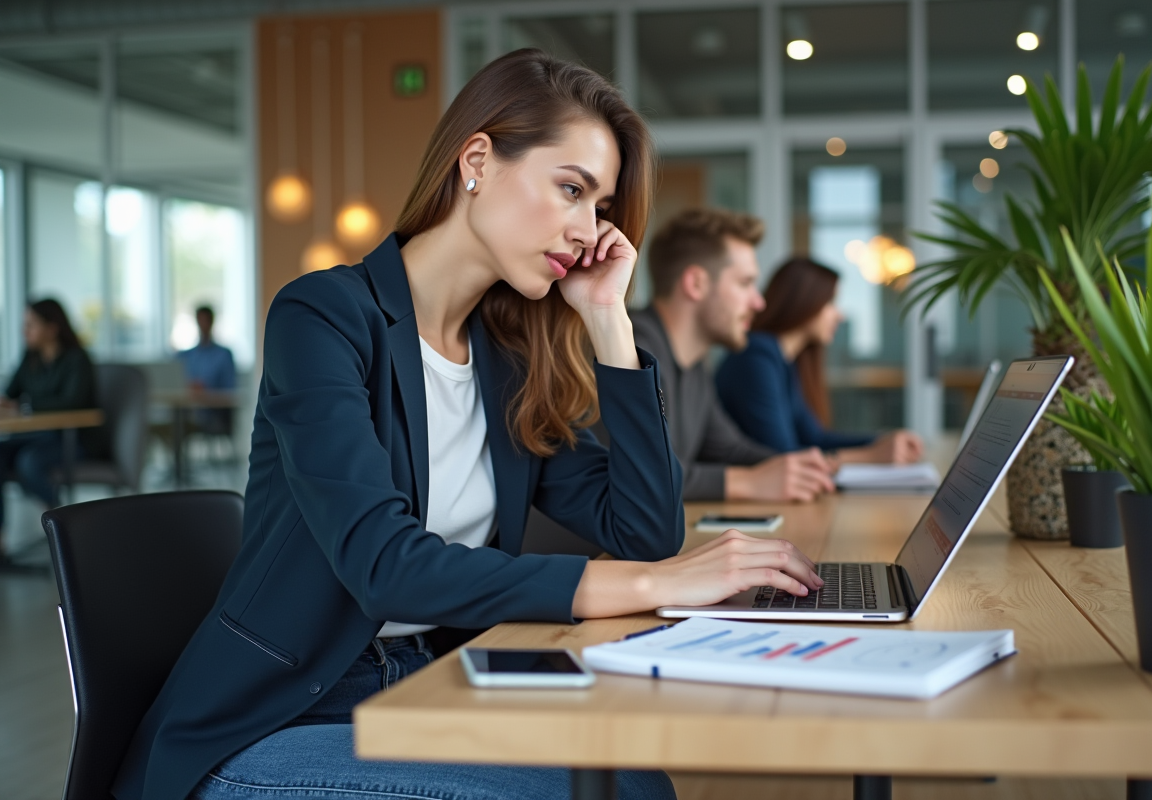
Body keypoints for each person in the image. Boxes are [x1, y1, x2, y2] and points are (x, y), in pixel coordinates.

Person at [113, 50, 823, 800]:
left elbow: (646, 529)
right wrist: (654, 583)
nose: (589, 231)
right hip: (274, 721)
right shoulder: (323, 316)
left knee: (634, 781)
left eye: (602, 209)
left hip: (423, 677)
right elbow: (386, 569)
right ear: (477, 160)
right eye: (572, 189)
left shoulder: (510, 359)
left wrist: (610, 321)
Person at [631, 208, 835, 503]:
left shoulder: (695, 366)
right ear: (696, 283)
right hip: (598, 551)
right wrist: (749, 483)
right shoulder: (633, 348)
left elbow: (730, 450)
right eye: (744, 283)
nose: (759, 302)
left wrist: (798, 468)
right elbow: (642, 476)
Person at [716, 256, 923, 465]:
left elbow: (816, 438)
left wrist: (882, 440)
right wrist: (870, 456)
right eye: (831, 303)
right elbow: (782, 456)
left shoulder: (784, 360)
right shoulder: (756, 357)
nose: (839, 316)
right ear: (804, 301)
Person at [0, 299, 96, 563]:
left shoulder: (77, 359)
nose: (24, 331)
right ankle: (1, 541)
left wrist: (26, 405)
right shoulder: (30, 357)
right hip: (35, 435)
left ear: (52, 328)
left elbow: (74, 402)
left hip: (72, 438)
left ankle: (62, 516)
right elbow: (11, 395)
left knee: (28, 461)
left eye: (31, 325)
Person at [176, 305, 237, 435]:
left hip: (214, 413)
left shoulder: (223, 354)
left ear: (211, 322)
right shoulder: (185, 356)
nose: (202, 324)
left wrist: (206, 390)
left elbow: (229, 389)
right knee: (176, 422)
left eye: (205, 320)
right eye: (199, 320)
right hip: (188, 410)